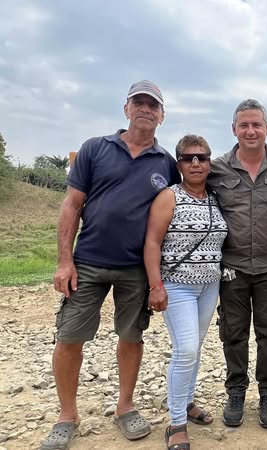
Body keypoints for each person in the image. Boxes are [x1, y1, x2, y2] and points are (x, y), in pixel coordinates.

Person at [43, 80, 180, 450]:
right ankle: (67, 415)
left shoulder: (167, 164)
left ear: (162, 115)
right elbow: (72, 205)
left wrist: (158, 277)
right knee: (69, 336)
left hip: (135, 267)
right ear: (126, 108)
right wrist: (64, 260)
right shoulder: (95, 148)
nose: (145, 109)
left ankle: (125, 406)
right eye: (139, 102)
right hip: (87, 262)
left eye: (153, 105)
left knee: (131, 336)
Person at [206, 99, 267, 428]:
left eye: (256, 124)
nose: (250, 130)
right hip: (232, 266)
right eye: (244, 125)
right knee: (233, 332)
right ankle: (236, 391)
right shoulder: (217, 169)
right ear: (234, 129)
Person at [144, 135, 228, 449]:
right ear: (178, 163)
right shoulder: (169, 196)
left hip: (209, 285)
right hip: (177, 285)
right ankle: (176, 422)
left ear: (209, 163)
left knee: (196, 347)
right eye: (188, 158)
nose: (195, 163)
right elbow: (152, 242)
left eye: (201, 158)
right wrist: (156, 286)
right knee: (186, 350)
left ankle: (188, 401)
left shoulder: (215, 198)